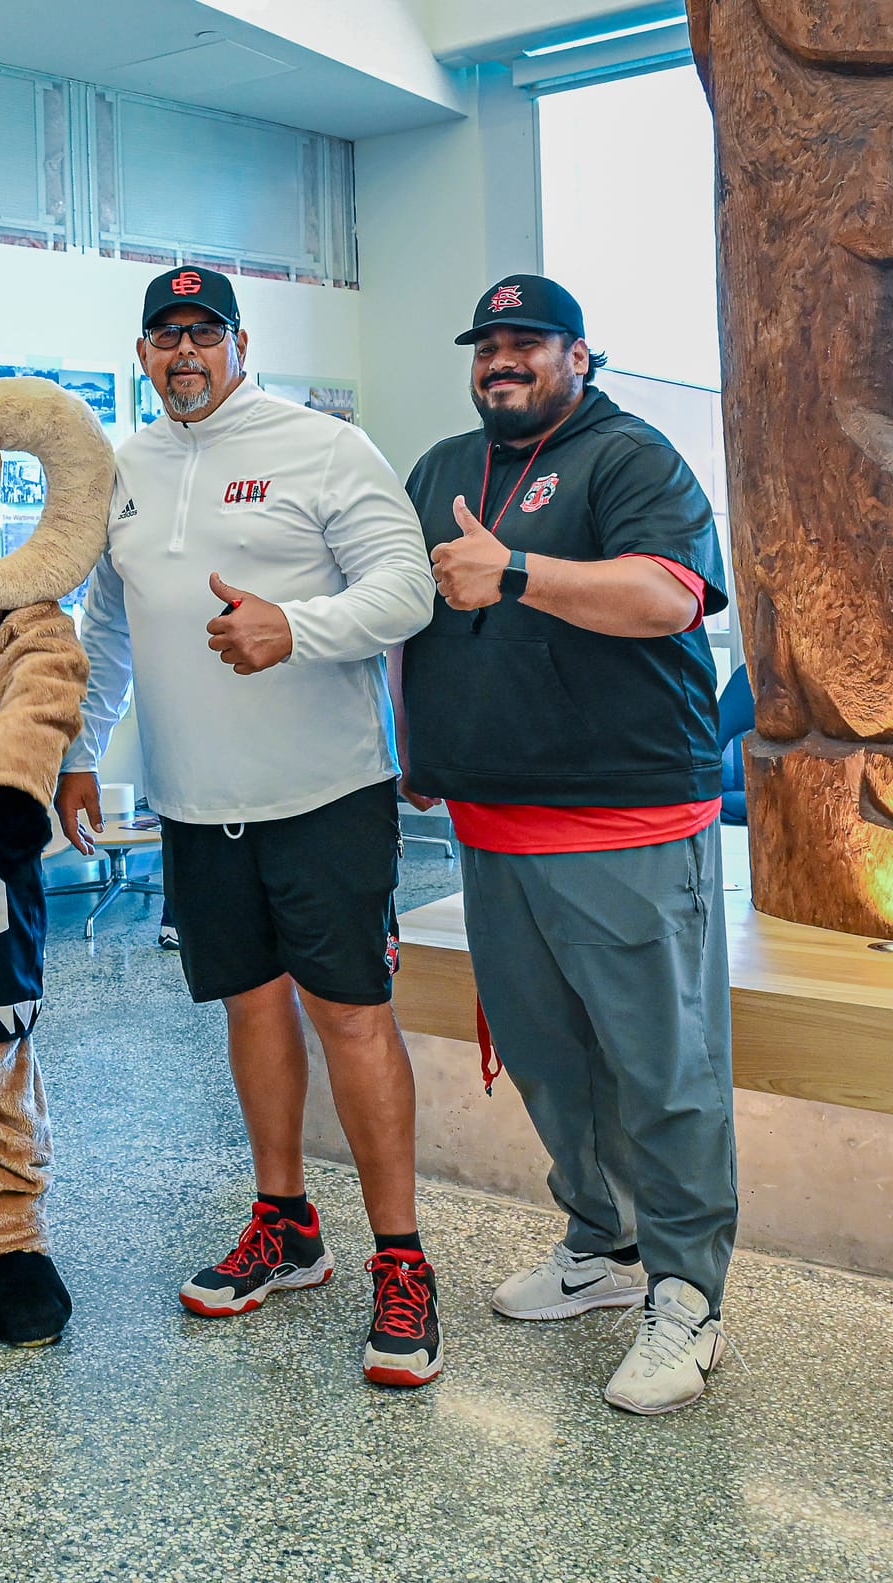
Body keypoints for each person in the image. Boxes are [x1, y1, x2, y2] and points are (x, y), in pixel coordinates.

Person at [56, 266, 442, 1387]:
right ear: (142, 354)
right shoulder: (125, 468)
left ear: (237, 342)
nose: (184, 351)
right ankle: (286, 1223)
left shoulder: (321, 446)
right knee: (250, 1008)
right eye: (164, 335)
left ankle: (401, 1258)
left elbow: (406, 587)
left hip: (324, 793)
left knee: (352, 1017)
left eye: (204, 331)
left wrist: (296, 627)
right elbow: (107, 625)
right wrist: (80, 747)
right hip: (194, 799)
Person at [397, 275, 734, 1416]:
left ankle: (688, 1294)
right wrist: (415, 740)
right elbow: (415, 611)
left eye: (526, 341)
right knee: (549, 1061)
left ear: (578, 354)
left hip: (623, 822)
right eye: (485, 342)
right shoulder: (444, 465)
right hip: (493, 826)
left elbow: (665, 596)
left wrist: (516, 572)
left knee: (662, 1072)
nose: (501, 358)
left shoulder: (629, 457)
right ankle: (601, 1244)